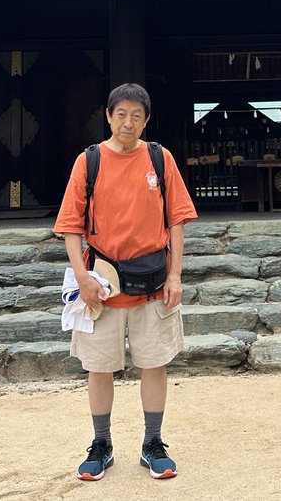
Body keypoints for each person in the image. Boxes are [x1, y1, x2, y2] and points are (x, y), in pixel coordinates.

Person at [54, 82, 197, 481]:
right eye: (121, 115)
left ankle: (153, 443)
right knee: (98, 367)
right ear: (108, 116)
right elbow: (70, 225)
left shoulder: (159, 158)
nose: (128, 123)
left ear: (146, 120)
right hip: (102, 284)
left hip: (154, 281)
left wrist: (175, 275)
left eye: (136, 116)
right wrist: (81, 277)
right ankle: (101, 444)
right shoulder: (89, 161)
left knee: (155, 363)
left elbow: (177, 220)